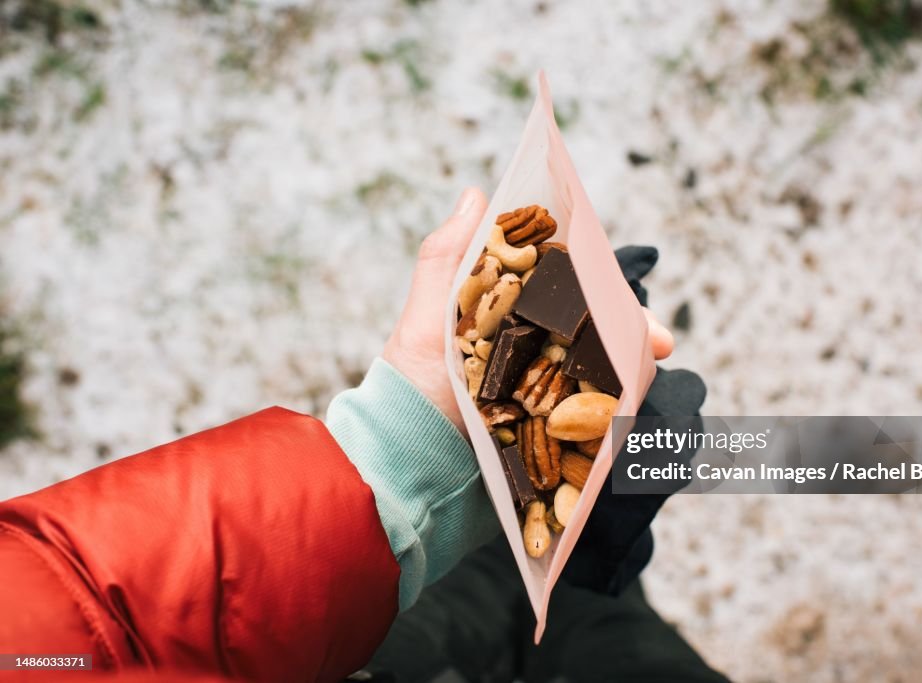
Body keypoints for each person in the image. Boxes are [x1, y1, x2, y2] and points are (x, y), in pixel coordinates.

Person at [0, 189, 727, 682]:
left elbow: (80, 609)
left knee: (575, 625)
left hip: (344, 650)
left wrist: (397, 467)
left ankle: (554, 591)